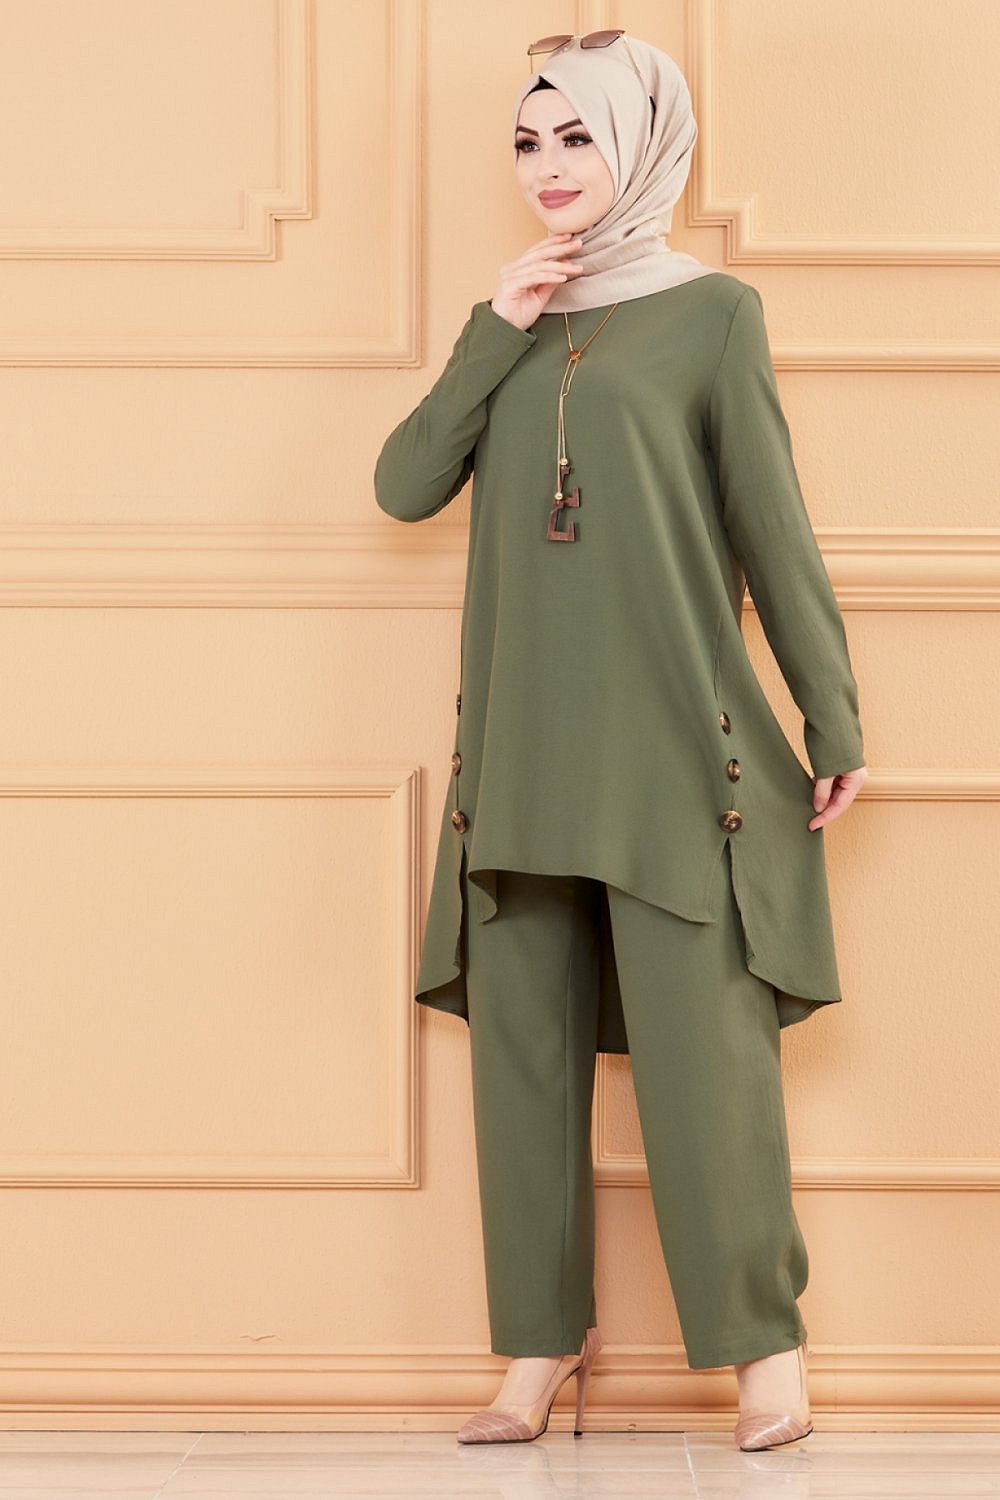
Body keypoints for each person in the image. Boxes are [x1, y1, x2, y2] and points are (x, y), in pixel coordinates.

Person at [373, 31, 867, 1452]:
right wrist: (495, 325)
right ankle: (538, 1347)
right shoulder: (511, 320)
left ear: (641, 144)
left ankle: (764, 1352)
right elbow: (404, 486)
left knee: (709, 1063)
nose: (548, 167)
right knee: (522, 1059)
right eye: (528, 142)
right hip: (522, 748)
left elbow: (772, 525)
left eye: (576, 136)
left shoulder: (713, 316)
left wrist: (832, 709)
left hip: (673, 746)